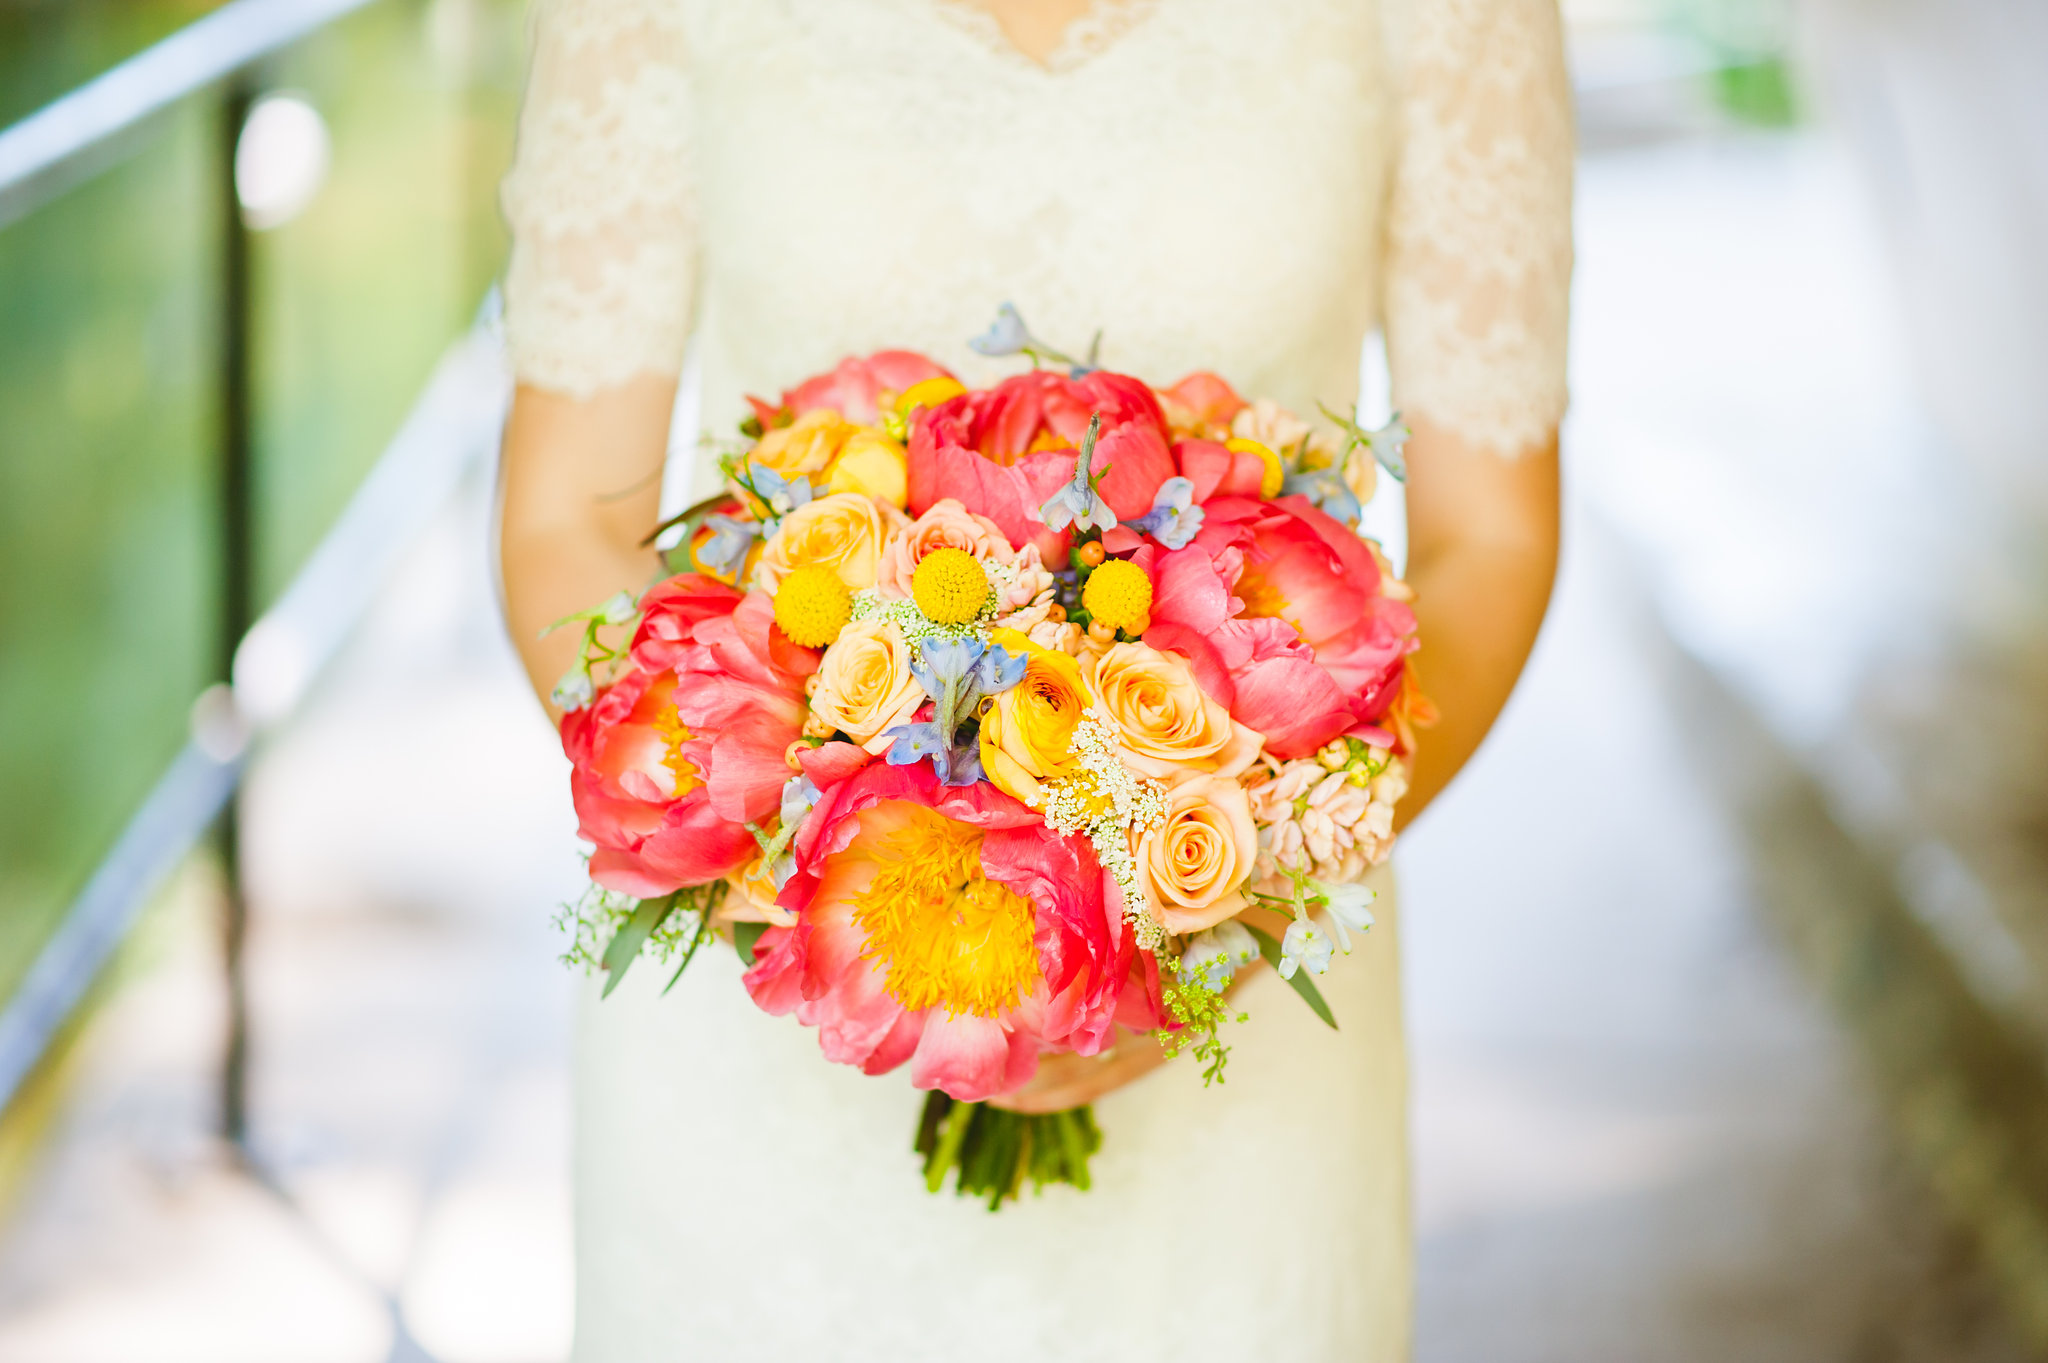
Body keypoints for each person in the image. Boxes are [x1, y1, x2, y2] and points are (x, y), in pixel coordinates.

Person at [495, 0, 1570, 1356]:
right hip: (758, 1056)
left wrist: (1237, 878)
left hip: (1242, 1040)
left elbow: (1495, 534)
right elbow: (562, 523)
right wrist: (776, 864)